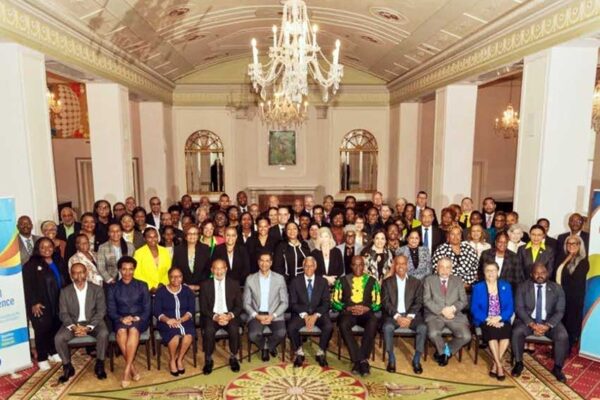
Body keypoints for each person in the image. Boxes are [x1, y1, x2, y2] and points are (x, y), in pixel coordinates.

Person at [511, 262, 569, 383]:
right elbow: (519, 308)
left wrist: (547, 325)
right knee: (517, 332)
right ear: (532, 274)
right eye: (536, 273)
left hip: (549, 322)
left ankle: (558, 368)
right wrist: (531, 324)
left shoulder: (556, 288)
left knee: (562, 335)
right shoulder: (523, 287)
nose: (540, 275)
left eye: (542, 273)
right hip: (528, 320)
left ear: (547, 273)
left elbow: (560, 310)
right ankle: (518, 363)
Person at [55, 263, 108, 383]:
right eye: (75, 272)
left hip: (93, 322)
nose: (79, 275)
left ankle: (99, 364)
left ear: (86, 273)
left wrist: (88, 328)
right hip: (73, 323)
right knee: (59, 338)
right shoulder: (64, 291)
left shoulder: (97, 289)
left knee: (104, 333)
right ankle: (67, 367)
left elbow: (101, 311)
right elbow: (63, 313)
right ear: (71, 275)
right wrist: (74, 327)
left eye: (82, 272)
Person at [23, 237, 70, 371]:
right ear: (37, 248)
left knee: (55, 327)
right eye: (42, 247)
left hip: (57, 301)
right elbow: (28, 286)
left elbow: (65, 279)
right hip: (40, 303)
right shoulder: (30, 265)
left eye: (49, 246)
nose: (46, 249)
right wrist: (33, 303)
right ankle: (42, 358)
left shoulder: (58, 260)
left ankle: (53, 351)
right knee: (42, 330)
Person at [332, 256, 381, 376]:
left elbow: (378, 302)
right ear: (351, 266)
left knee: (373, 322)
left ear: (364, 266)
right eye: (355, 265)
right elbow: (334, 301)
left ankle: (359, 360)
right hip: (349, 312)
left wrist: (368, 308)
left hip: (366, 312)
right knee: (343, 324)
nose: (358, 267)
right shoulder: (342, 281)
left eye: (360, 265)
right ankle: (361, 360)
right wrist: (346, 308)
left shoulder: (372, 281)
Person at [107, 256, 151, 388]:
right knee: (121, 331)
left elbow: (147, 307)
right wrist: (121, 319)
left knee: (133, 330)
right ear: (119, 270)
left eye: (130, 269)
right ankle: (131, 367)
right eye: (124, 269)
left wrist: (137, 318)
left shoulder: (142, 285)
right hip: (120, 318)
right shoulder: (113, 288)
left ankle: (126, 371)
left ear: (134, 270)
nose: (127, 272)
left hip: (139, 319)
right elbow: (111, 309)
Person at [381, 255, 427, 374]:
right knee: (387, 327)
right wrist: (397, 316)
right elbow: (385, 302)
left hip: (411, 315)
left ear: (408, 266)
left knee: (422, 327)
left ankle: (416, 359)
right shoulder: (387, 282)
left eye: (403, 263)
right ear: (394, 266)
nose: (401, 266)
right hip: (393, 315)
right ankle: (391, 358)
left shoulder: (416, 282)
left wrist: (409, 317)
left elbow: (419, 301)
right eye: (398, 263)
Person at [423, 257, 472, 366]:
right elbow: (426, 300)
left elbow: (463, 301)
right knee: (433, 333)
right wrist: (441, 311)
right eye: (442, 267)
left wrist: (452, 309)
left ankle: (445, 352)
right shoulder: (429, 280)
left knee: (466, 336)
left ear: (451, 269)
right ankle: (443, 354)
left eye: (448, 267)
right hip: (435, 314)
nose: (445, 270)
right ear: (437, 268)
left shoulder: (458, 281)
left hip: (454, 315)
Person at [470, 261, 514, 380]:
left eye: (493, 270)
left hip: (501, 318)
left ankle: (495, 364)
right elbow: (474, 308)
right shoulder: (478, 287)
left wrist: (499, 318)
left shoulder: (506, 286)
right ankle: (499, 366)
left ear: (497, 272)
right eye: (488, 271)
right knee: (492, 334)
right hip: (485, 319)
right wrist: (488, 318)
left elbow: (510, 307)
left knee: (506, 334)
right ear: (484, 273)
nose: (491, 273)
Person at [287, 257, 333, 367]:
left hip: (318, 313)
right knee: (291, 327)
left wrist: (316, 315)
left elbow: (327, 303)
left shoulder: (322, 282)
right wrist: (305, 315)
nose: (309, 268)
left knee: (329, 326)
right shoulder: (295, 281)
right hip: (301, 313)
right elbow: (292, 303)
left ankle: (321, 352)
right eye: (306, 266)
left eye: (311, 266)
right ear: (303, 267)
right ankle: (299, 352)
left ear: (315, 267)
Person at [243, 252, 289, 361]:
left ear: (271, 263)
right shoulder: (250, 279)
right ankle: (264, 345)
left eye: (267, 261)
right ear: (258, 262)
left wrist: (273, 316)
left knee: (281, 333)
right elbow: (246, 303)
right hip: (257, 314)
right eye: (262, 260)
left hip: (274, 313)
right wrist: (256, 315)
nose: (264, 263)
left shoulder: (279, 278)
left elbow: (284, 302)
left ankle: (268, 347)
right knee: (253, 335)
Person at [199, 259, 242, 374]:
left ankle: (233, 356)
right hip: (212, 316)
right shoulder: (205, 285)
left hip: (229, 315)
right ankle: (208, 359)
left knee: (234, 329)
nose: (219, 272)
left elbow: (239, 306)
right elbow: (203, 308)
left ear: (226, 269)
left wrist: (229, 316)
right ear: (212, 270)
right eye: (216, 269)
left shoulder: (234, 284)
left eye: (221, 268)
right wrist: (216, 317)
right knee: (208, 330)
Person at [154, 267, 196, 376]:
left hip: (184, 320)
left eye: (179, 276)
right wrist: (168, 320)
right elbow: (157, 311)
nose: (176, 279)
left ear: (182, 277)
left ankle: (180, 359)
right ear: (169, 278)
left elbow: (191, 310)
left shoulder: (187, 291)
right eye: (173, 276)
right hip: (166, 322)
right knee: (175, 336)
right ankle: (172, 360)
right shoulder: (161, 292)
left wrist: (182, 319)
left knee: (188, 335)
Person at [555, 235, 589, 347]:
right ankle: (559, 347)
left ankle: (567, 348)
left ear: (580, 245)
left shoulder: (583, 261)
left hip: (573, 297)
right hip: (560, 295)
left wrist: (561, 291)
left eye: (574, 243)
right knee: (561, 322)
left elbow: (576, 282)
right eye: (569, 243)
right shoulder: (563, 257)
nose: (571, 245)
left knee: (570, 323)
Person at [172, 226, 211, 291]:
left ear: (198, 235)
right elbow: (175, 268)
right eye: (189, 234)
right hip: (182, 287)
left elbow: (207, 270)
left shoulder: (205, 248)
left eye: (195, 233)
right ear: (185, 236)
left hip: (201, 287)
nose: (192, 236)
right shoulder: (178, 249)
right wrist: (184, 285)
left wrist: (199, 286)